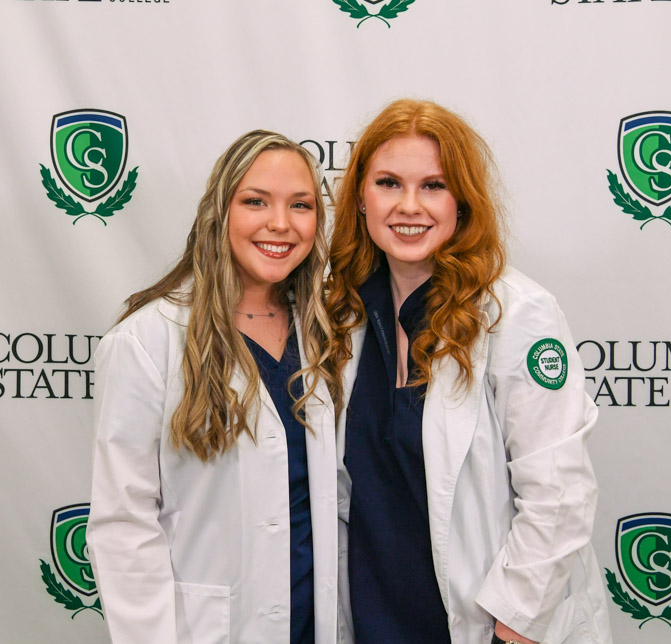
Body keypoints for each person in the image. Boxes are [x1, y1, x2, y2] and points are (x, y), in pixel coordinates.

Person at [326, 100, 612, 644]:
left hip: (489, 629)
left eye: (433, 185)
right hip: (373, 619)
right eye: (388, 183)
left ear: (463, 202)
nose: (409, 205)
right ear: (360, 199)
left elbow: (559, 498)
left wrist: (512, 630)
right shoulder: (345, 314)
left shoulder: (517, 313)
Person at [86, 130, 337, 644]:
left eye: (301, 205)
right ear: (219, 212)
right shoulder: (148, 341)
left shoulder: (326, 334)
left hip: (316, 624)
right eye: (255, 201)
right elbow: (123, 526)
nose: (280, 224)